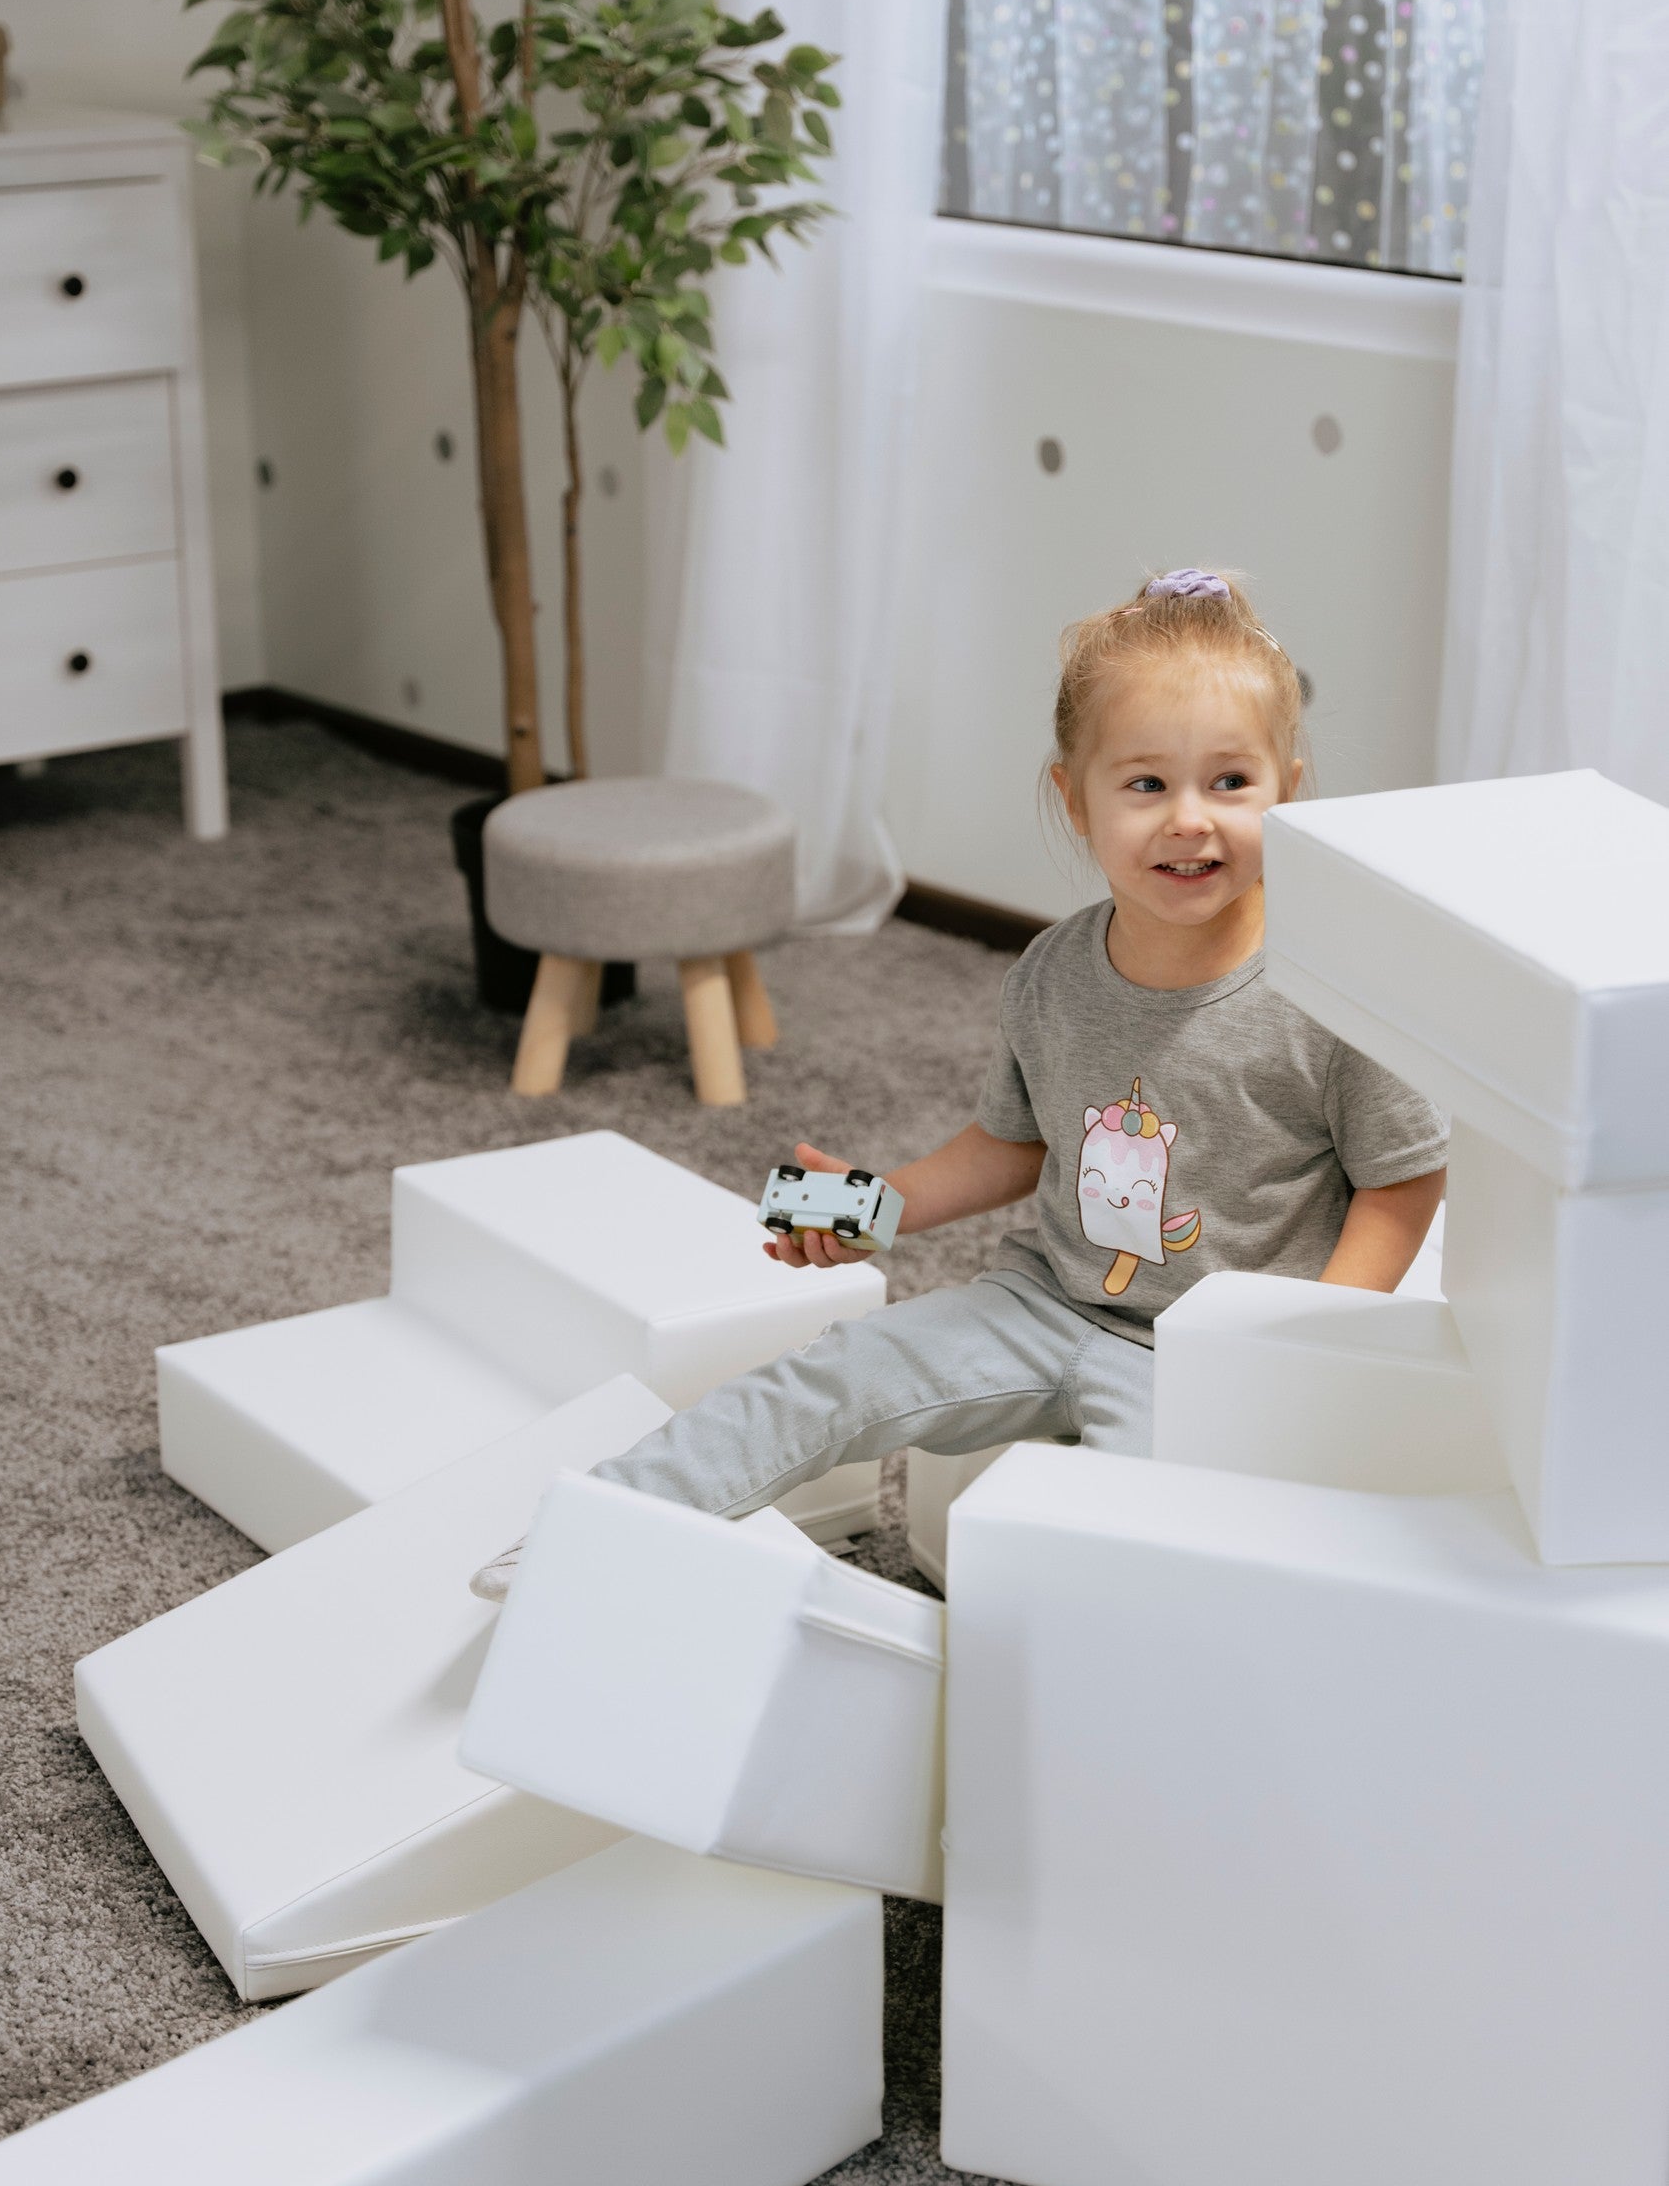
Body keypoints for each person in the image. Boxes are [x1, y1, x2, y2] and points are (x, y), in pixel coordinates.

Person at [471, 567, 1447, 1598]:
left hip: (1206, 1357)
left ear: (1286, 789)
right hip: (1048, 1300)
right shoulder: (1052, 972)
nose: (1189, 820)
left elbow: (1403, 1182)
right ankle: (591, 1520)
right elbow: (1011, 1146)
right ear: (1075, 798)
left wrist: (1299, 1357)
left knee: (1142, 1549)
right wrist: (873, 1204)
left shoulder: (1328, 992)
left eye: (1230, 783)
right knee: (831, 1372)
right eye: (1147, 783)